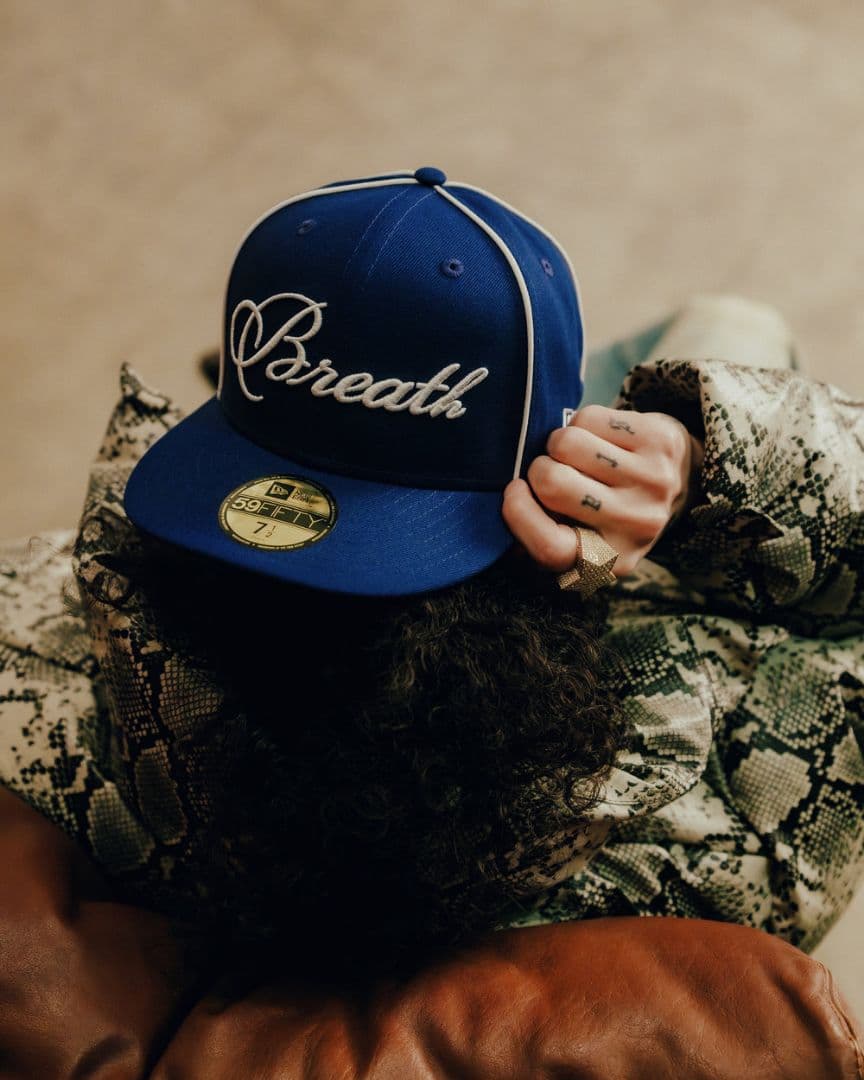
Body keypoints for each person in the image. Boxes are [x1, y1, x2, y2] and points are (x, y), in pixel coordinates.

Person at [1, 169, 862, 982]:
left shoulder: (26, 649)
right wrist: (704, 470)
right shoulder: (731, 818)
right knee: (734, 322)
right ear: (545, 522)